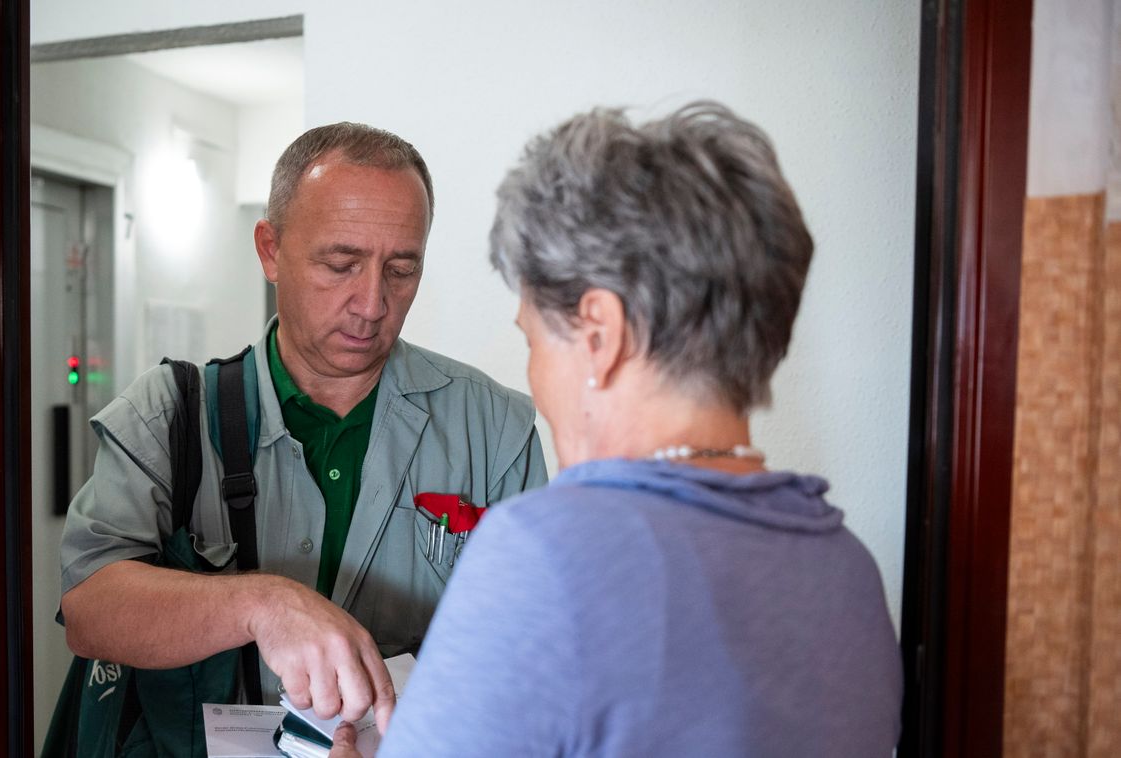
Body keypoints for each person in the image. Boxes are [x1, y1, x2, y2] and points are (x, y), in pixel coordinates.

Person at [330, 102, 902, 757]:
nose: (537, 381)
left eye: (536, 340)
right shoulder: (847, 570)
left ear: (599, 335)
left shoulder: (547, 555)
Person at [54, 122, 548, 756]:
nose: (372, 303)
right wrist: (263, 604)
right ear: (269, 249)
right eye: (340, 264)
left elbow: (535, 648)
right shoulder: (167, 416)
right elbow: (91, 607)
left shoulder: (493, 428)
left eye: (401, 270)